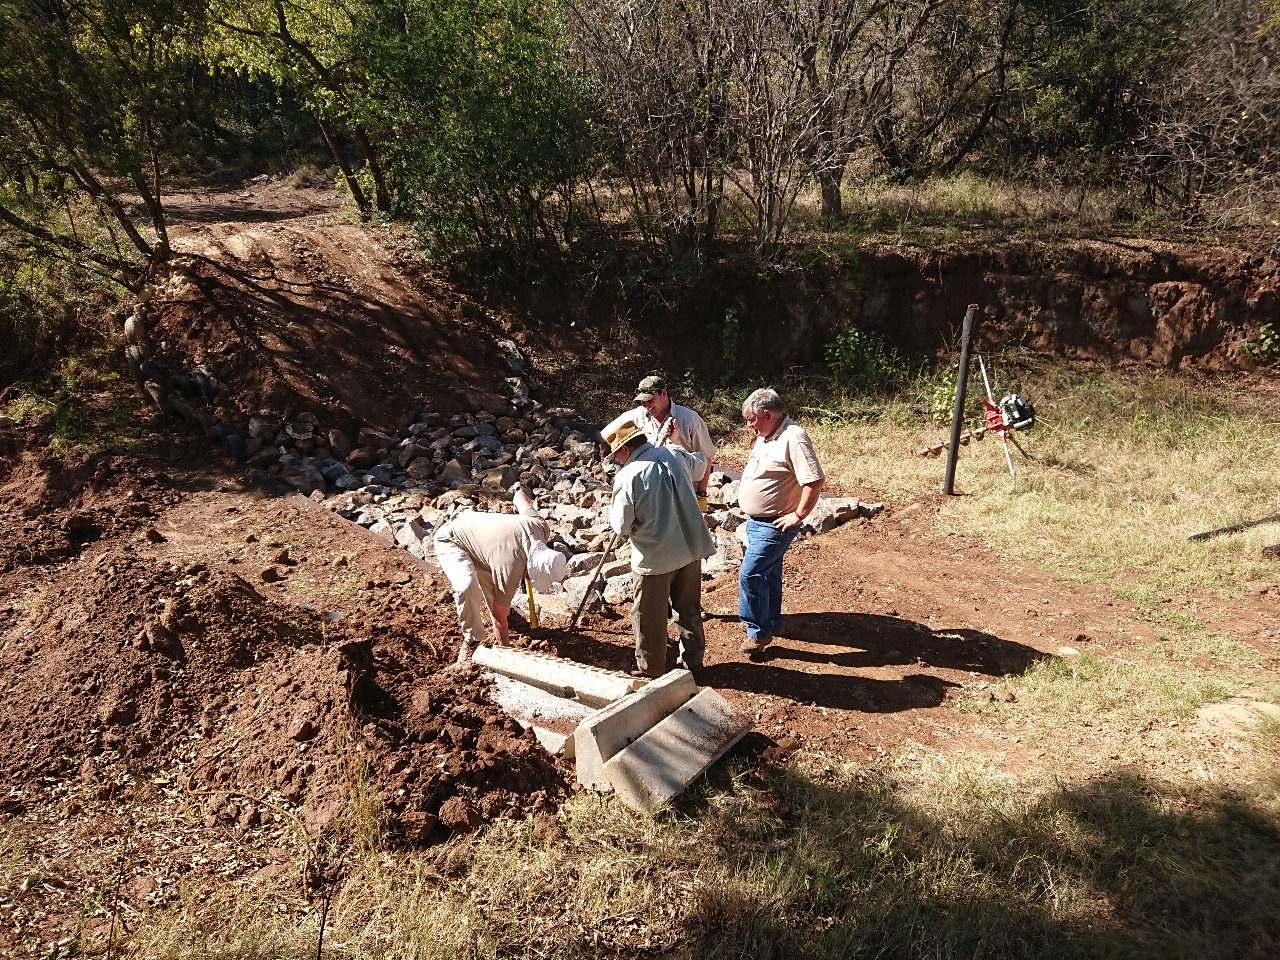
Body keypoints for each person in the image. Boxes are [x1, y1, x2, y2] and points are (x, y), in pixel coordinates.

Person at [604, 418, 716, 678]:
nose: (617, 460)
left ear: (625, 449)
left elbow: (621, 526)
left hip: (654, 558)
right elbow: (701, 468)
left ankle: (651, 669)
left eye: (617, 455)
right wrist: (677, 443)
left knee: (648, 617)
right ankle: (694, 662)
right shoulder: (675, 453)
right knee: (688, 608)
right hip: (689, 549)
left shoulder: (628, 476)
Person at [433, 485, 567, 663]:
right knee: (467, 586)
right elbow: (498, 618)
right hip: (453, 539)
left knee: (495, 588)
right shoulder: (511, 565)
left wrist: (518, 490)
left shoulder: (541, 527)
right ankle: (471, 640)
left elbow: (520, 498)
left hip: (481, 540)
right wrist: (506, 652)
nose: (530, 579)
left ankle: (507, 609)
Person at [737, 388, 824, 655]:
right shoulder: (767, 434)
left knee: (751, 574)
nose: (748, 425)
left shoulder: (793, 437)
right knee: (769, 574)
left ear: (767, 414)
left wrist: (798, 515)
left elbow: (814, 480)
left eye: (751, 419)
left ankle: (757, 632)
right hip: (758, 521)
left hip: (775, 523)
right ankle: (772, 622)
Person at [600, 375, 716, 512]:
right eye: (642, 401)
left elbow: (705, 459)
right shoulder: (636, 416)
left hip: (682, 497)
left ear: (664, 393)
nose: (646, 405)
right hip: (648, 498)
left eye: (649, 399)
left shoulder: (690, 419)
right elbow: (606, 435)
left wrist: (701, 494)